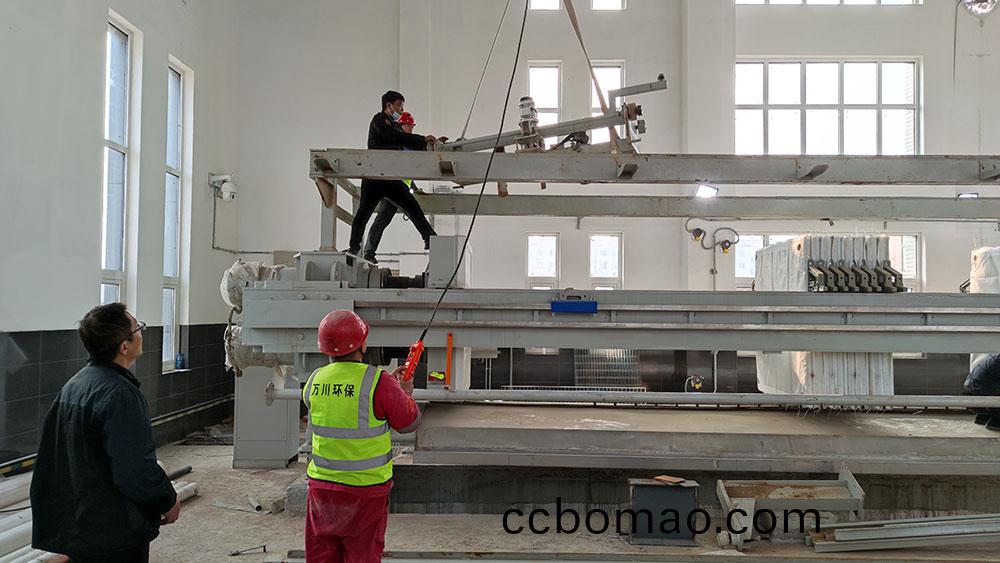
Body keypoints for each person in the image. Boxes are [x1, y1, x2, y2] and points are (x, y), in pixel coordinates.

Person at [31, 303, 180, 563]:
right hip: (113, 531)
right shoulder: (120, 394)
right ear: (124, 346)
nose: (142, 332)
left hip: (79, 525)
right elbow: (134, 469)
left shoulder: (74, 385)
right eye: (138, 328)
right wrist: (167, 499)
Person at [302, 310, 420, 562]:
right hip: (366, 492)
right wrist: (403, 393)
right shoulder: (378, 382)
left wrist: (390, 389)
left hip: (322, 490)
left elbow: (340, 408)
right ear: (363, 344)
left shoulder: (314, 380)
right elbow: (408, 422)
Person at [348, 90, 445, 260]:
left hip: (390, 178)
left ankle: (430, 238)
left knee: (412, 207)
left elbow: (404, 144)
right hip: (374, 178)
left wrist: (431, 145)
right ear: (389, 105)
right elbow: (396, 138)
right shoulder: (379, 121)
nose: (402, 108)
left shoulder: (395, 126)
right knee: (363, 214)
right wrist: (422, 139)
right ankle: (354, 248)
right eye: (399, 105)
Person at [363, 111, 424, 264]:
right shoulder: (395, 143)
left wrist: (415, 188)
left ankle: (369, 251)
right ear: (400, 125)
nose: (411, 129)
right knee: (383, 219)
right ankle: (368, 252)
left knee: (385, 219)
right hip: (392, 187)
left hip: (401, 188)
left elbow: (407, 172)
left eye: (412, 126)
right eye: (408, 126)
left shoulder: (408, 145)